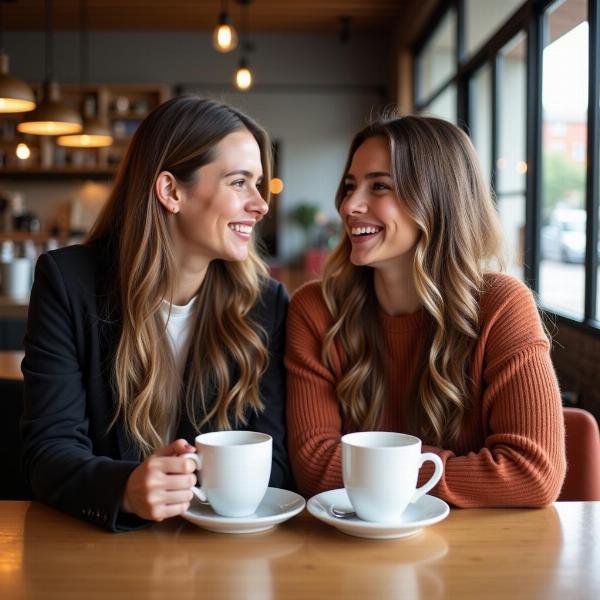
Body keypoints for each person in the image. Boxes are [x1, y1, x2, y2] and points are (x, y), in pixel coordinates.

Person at [21, 97, 290, 531]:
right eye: (240, 182)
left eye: (258, 184)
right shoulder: (69, 284)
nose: (261, 205)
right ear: (171, 191)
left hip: (223, 553)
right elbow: (48, 453)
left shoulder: (266, 304)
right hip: (105, 556)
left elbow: (276, 459)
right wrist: (124, 488)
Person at [285, 114, 566, 507]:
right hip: (350, 554)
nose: (350, 205)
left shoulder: (501, 307)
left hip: (477, 556)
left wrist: (372, 476)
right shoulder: (316, 310)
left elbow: (531, 474)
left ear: (437, 199)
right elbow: (315, 468)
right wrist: (464, 474)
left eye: (379, 186)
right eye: (350, 187)